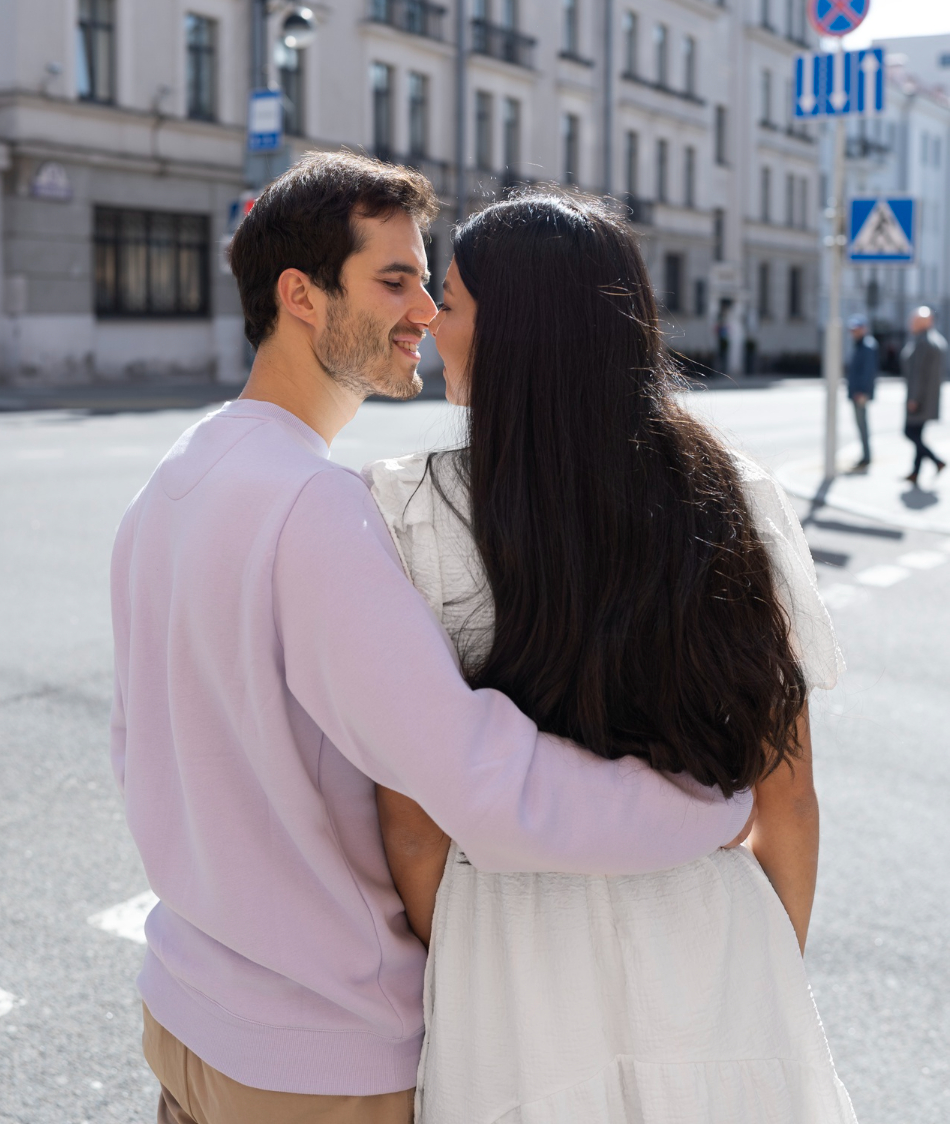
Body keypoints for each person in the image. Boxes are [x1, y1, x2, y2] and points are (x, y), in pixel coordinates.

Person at [109, 154, 752, 1124]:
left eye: (428, 281)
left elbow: (138, 751)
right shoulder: (312, 508)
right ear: (301, 297)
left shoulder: (177, 474)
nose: (425, 311)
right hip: (317, 1060)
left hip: (185, 1021)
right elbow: (476, 786)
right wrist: (704, 808)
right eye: (394, 280)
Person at [368, 192, 856, 1124]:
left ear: (518, 332)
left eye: (454, 300)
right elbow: (785, 791)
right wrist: (762, 959)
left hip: (506, 946)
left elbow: (411, 819)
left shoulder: (407, 509)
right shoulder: (732, 493)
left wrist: (471, 953)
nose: (427, 318)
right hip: (714, 936)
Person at [901, 305, 947, 484]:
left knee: (909, 432)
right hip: (929, 399)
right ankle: (915, 472)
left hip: (919, 399)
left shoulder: (923, 342)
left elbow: (918, 373)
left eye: (914, 320)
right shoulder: (935, 340)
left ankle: (937, 460)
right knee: (917, 434)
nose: (910, 323)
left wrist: (914, 398)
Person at [846, 314, 878, 473]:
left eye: (856, 329)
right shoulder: (860, 345)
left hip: (860, 394)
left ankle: (866, 456)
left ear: (863, 329)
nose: (854, 332)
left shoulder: (867, 346)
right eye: (852, 330)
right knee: (860, 425)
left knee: (862, 425)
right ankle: (865, 455)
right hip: (856, 392)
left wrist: (863, 392)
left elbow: (868, 372)